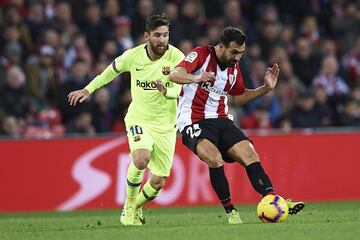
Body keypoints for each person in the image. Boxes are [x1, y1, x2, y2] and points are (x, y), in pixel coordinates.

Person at [170, 26, 304, 224]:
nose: (237, 57)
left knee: (250, 154)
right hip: (193, 120)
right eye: (234, 52)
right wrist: (197, 78)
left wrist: (266, 88)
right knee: (214, 158)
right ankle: (231, 212)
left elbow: (240, 98)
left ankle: (273, 199)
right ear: (221, 46)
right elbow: (175, 74)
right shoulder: (200, 54)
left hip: (221, 119)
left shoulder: (233, 68)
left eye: (241, 53)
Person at [68, 14, 184, 226]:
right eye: (157, 35)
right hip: (139, 118)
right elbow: (109, 73)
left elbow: (180, 87)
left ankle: (135, 206)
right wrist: (87, 89)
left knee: (158, 182)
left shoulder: (177, 57)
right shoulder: (132, 56)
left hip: (166, 125)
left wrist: (167, 91)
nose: (162, 40)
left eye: (166, 35)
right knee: (141, 159)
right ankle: (129, 206)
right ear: (146, 36)